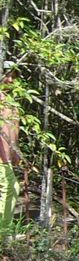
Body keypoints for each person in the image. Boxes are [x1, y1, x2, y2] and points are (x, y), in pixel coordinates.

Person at [0, 64, 21, 231]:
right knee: (10, 188)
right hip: (1, 156)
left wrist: (16, 153)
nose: (10, 79)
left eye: (13, 76)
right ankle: (3, 230)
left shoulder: (12, 103)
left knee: (11, 188)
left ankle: (5, 229)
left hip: (7, 156)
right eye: (7, 75)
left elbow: (13, 131)